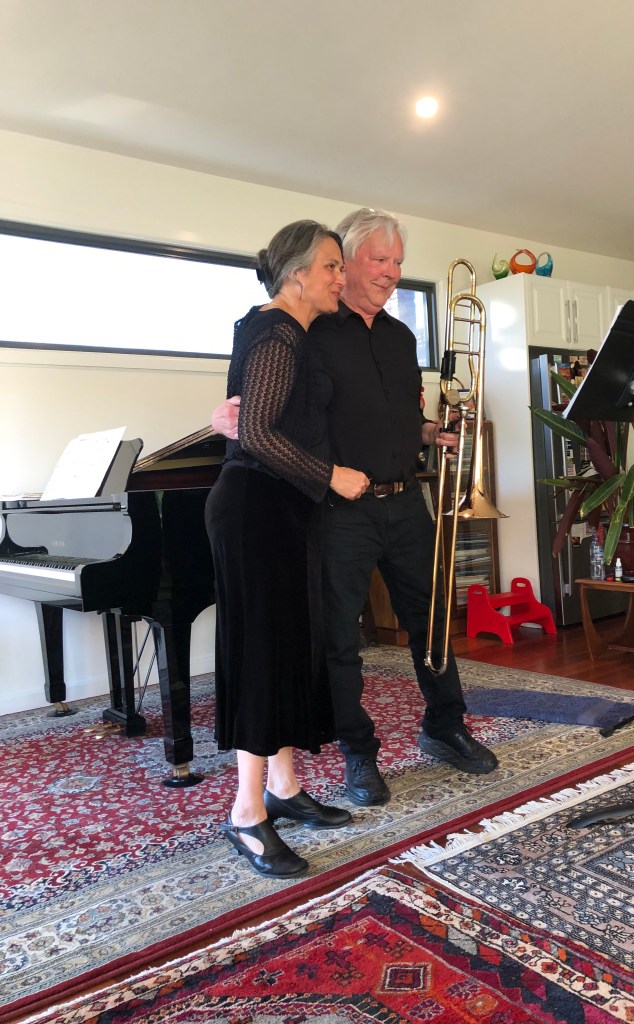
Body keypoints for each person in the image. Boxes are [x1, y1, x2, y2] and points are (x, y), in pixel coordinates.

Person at [212, 208, 498, 809]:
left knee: (433, 622)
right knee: (340, 639)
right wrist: (225, 417)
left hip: (406, 501)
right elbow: (267, 406)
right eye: (377, 260)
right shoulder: (309, 326)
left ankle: (446, 727)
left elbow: (388, 415)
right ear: (344, 262)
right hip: (338, 509)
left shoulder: (401, 337)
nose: (391, 272)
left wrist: (430, 433)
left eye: (398, 262)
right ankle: (358, 755)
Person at [205, 219, 370, 878]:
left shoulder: (278, 330)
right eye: (333, 266)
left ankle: (285, 788)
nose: (342, 277)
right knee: (263, 658)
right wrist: (333, 475)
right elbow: (257, 433)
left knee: (285, 650)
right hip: (256, 510)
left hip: (275, 510)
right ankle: (247, 815)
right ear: (298, 273)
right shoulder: (277, 332)